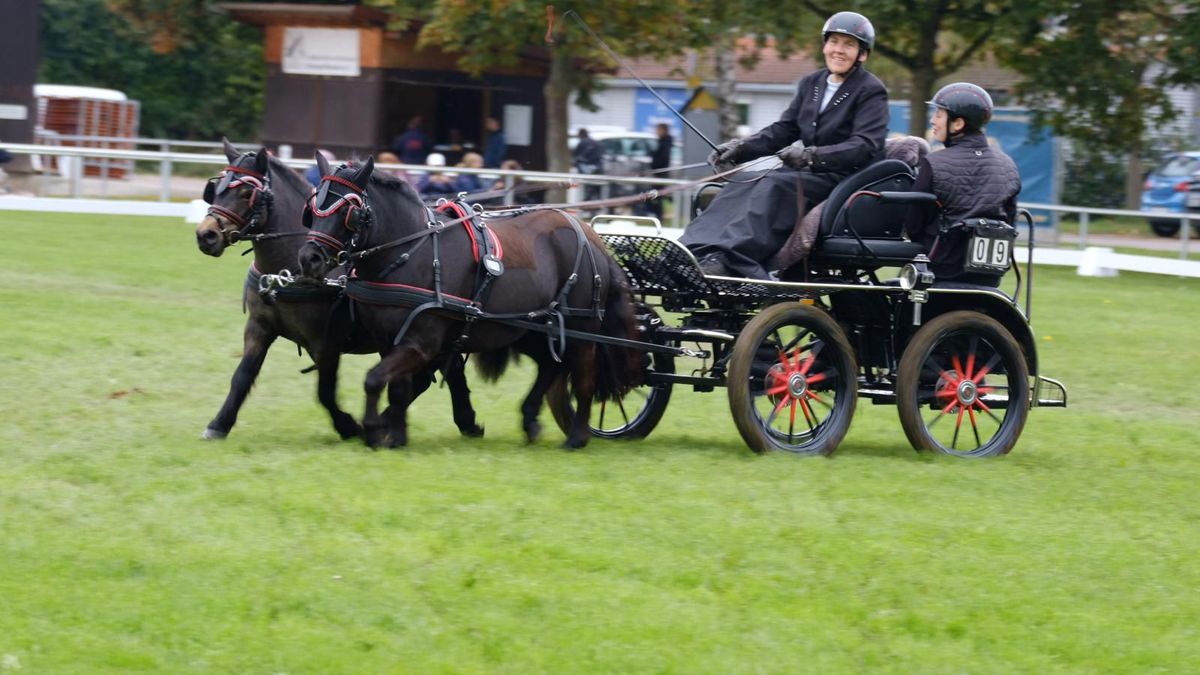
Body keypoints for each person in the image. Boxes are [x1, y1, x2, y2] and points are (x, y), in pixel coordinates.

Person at [680, 11, 889, 279]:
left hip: (841, 176)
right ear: (825, 45)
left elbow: (865, 145)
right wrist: (741, 148)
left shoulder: (871, 90)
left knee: (774, 185)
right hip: (806, 171)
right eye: (834, 42)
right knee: (742, 180)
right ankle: (693, 251)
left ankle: (729, 260)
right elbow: (785, 129)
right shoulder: (811, 83)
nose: (839, 50)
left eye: (849, 45)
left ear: (862, 54)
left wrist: (811, 156)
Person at [905, 82, 1021, 285]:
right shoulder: (1008, 165)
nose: (933, 120)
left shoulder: (934, 163)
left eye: (939, 115)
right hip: (989, 278)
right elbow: (1010, 220)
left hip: (938, 269)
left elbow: (914, 223)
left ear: (958, 124)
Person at [645, 122, 674, 219]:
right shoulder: (663, 141)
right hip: (659, 172)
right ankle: (655, 213)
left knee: (658, 195)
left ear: (664, 130)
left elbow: (663, 158)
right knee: (657, 195)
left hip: (660, 173)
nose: (656, 132)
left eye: (658, 130)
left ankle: (658, 215)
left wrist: (655, 161)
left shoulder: (665, 143)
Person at [573, 128, 604, 202]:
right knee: (596, 186)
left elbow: (576, 156)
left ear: (580, 134)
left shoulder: (582, 143)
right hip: (597, 167)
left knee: (585, 186)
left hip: (585, 168)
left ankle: (586, 201)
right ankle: (595, 201)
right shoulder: (595, 142)